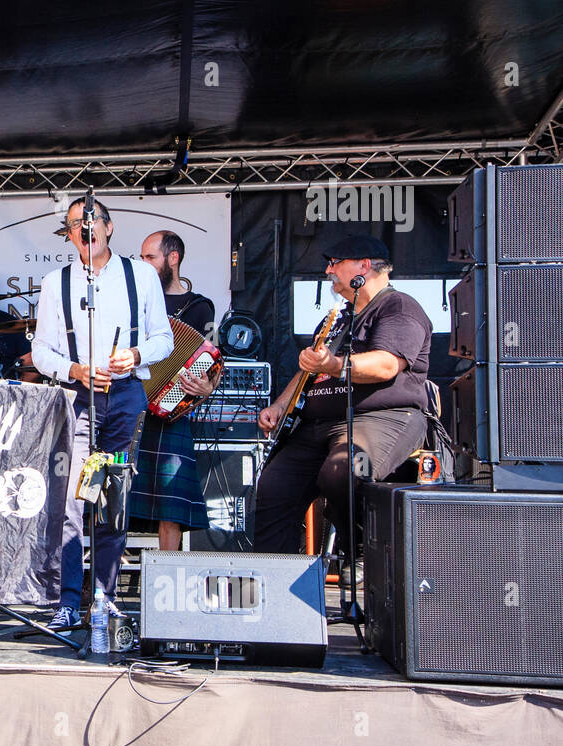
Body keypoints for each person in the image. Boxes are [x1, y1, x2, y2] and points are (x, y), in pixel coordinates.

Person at [31, 198, 174, 628]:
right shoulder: (56, 282)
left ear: (109, 228)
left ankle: (105, 596)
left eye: (91, 222)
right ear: (69, 234)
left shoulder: (141, 274)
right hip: (78, 399)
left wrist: (134, 354)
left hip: (126, 395)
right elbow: (40, 351)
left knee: (112, 496)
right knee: (75, 500)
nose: (84, 229)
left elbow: (163, 340)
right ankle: (68, 600)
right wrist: (72, 368)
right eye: (76, 224)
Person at [252, 235, 432, 555]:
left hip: (380, 418)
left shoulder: (398, 305)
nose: (328, 270)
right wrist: (281, 405)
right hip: (317, 425)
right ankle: (276, 585)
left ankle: (362, 548)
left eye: (335, 263)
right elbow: (309, 370)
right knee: (273, 485)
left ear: (363, 265)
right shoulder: (336, 319)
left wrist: (334, 364)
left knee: (344, 469)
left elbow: (387, 364)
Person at [129, 230, 216, 550]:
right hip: (129, 403)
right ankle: (103, 576)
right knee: (115, 494)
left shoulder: (198, 307)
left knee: (170, 503)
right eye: (142, 257)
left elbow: (208, 363)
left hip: (169, 411)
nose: (143, 263)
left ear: (173, 259)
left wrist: (205, 386)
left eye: (150, 257)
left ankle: (166, 575)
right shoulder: (133, 300)